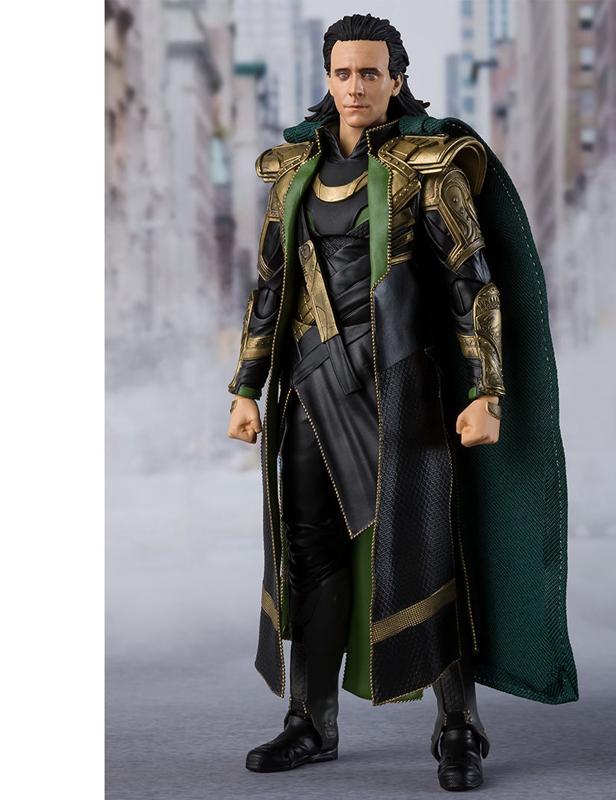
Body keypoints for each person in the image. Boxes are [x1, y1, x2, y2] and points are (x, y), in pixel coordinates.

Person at [227, 13, 578, 792]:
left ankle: (459, 728)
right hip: (312, 389)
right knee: (310, 555)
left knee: (426, 555)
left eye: (370, 73)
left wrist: (486, 391)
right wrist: (247, 386)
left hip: (402, 388)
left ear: (396, 78)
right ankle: (310, 722)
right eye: (343, 73)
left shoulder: (430, 165)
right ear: (327, 78)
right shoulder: (293, 172)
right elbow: (270, 289)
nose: (355, 87)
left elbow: (471, 286)